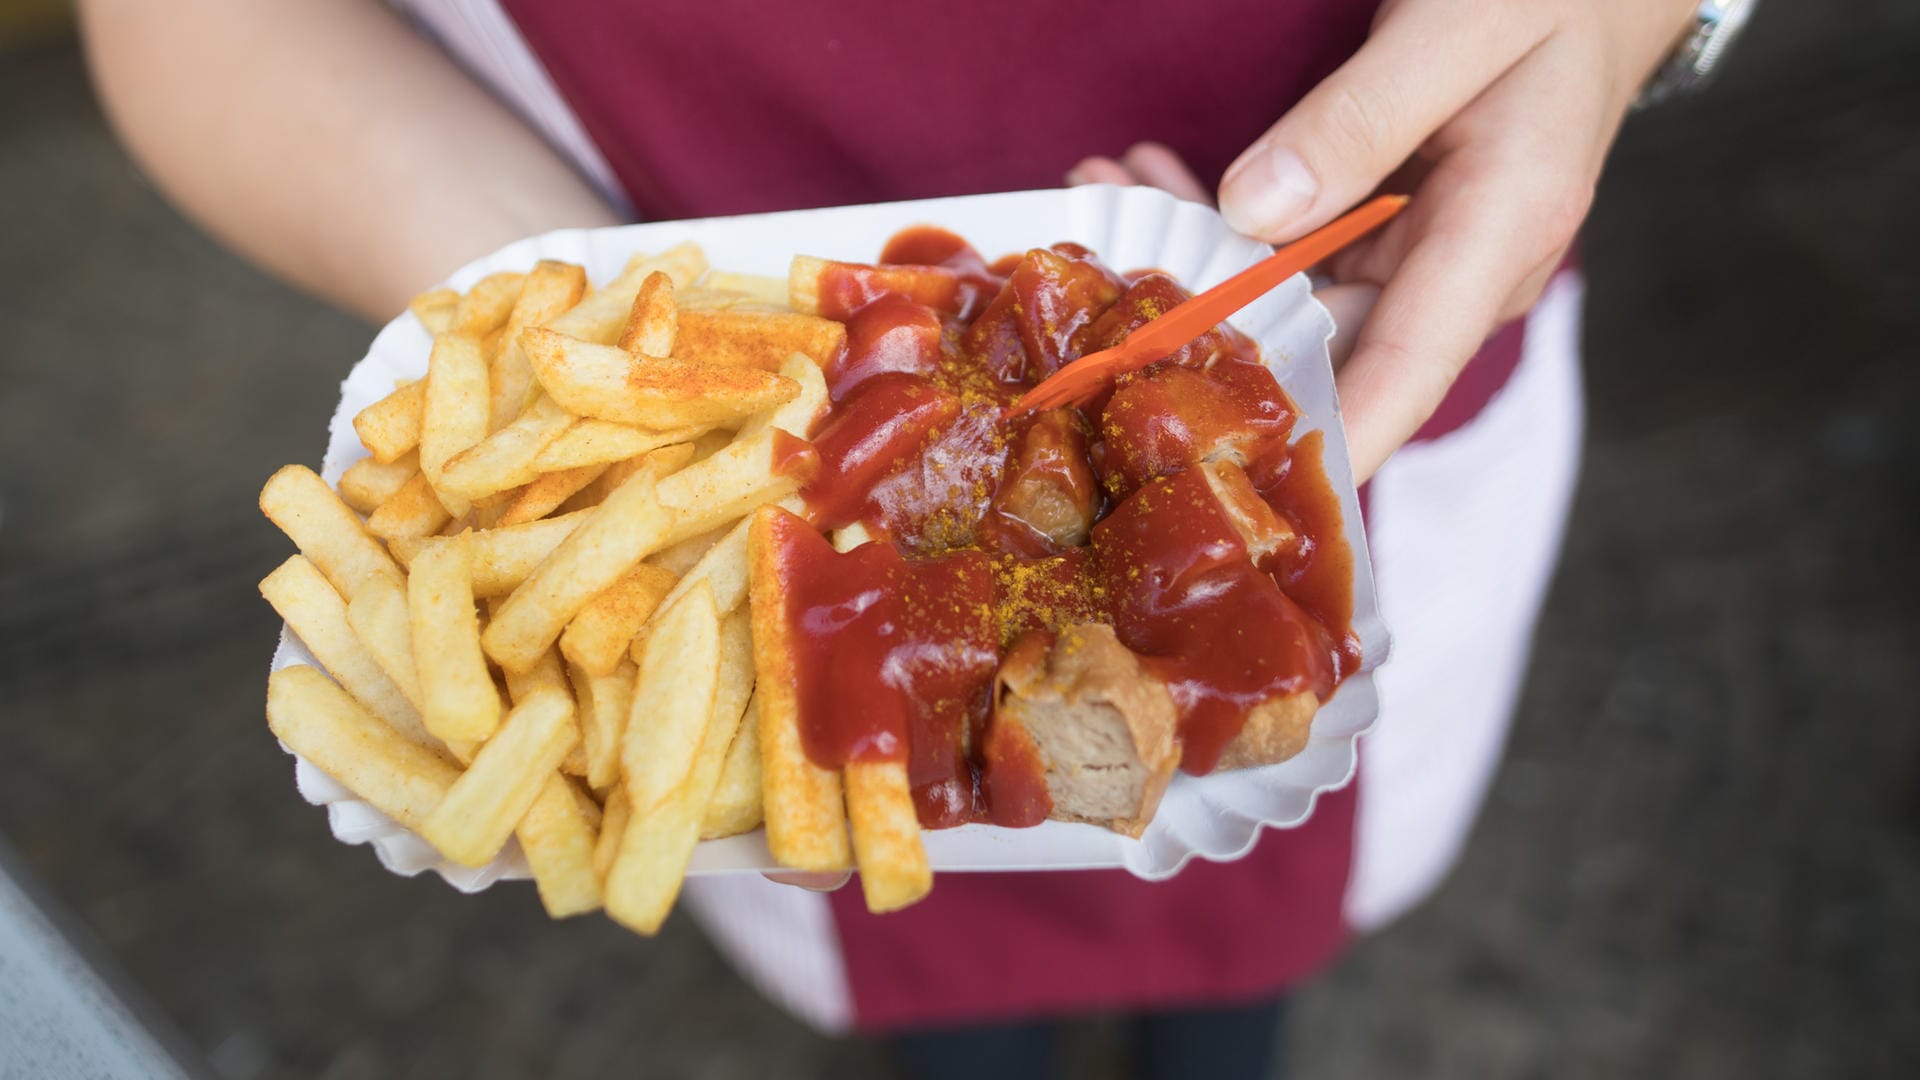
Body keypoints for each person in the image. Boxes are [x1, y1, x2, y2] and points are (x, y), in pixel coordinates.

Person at [78, 1, 1712, 1075]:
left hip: (1377, 346)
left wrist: (1628, 24)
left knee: (1247, 943)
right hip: (692, 471)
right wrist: (623, 321)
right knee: (938, 1001)